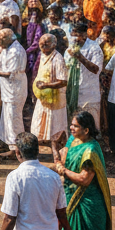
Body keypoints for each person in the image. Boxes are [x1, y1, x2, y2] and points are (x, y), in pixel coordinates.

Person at [56, 111, 112, 230]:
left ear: (86, 130)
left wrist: (62, 170)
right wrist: (57, 155)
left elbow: (84, 179)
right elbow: (64, 153)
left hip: (88, 206)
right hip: (71, 200)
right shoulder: (74, 140)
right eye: (71, 125)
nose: (71, 128)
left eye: (75, 126)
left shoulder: (91, 150)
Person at [30, 33, 68, 164]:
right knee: (37, 127)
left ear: (54, 44)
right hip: (43, 100)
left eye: (46, 43)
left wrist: (46, 85)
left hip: (56, 101)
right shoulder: (42, 56)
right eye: (41, 43)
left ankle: (59, 159)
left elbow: (63, 81)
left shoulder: (58, 59)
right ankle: (34, 156)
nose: (43, 45)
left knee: (56, 130)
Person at [0, 28, 27, 158]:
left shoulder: (16, 51)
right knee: (7, 119)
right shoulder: (6, 49)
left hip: (15, 90)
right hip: (7, 90)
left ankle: (17, 149)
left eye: (1, 40)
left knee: (14, 119)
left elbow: (10, 73)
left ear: (8, 39)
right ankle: (11, 145)